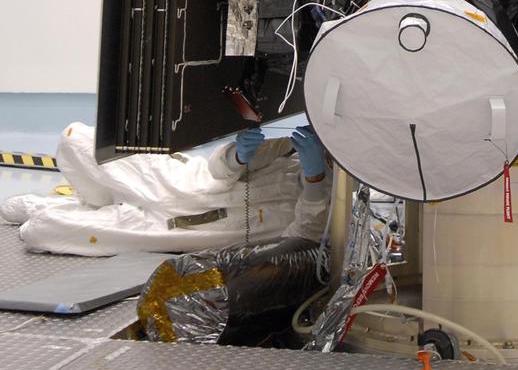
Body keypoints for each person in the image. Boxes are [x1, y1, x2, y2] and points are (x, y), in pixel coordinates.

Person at [0, 121, 331, 257]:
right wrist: (237, 155)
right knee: (73, 139)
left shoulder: (337, 205)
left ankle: (51, 207)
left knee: (39, 232)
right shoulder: (294, 149)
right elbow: (219, 168)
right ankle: (98, 199)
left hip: (183, 226)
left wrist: (315, 181)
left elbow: (303, 235)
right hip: (174, 180)